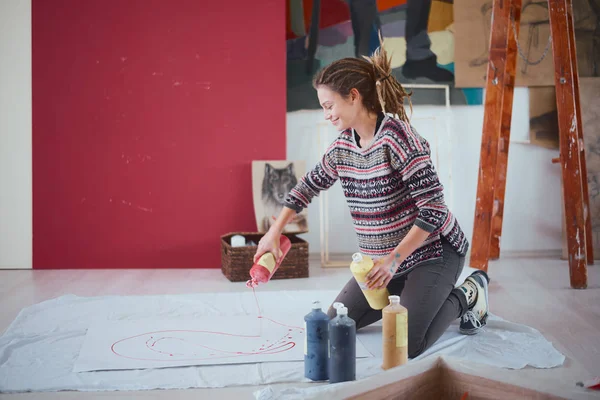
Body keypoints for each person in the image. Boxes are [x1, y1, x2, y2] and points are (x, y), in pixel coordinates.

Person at [253, 44, 489, 358]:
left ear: (353, 96)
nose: (326, 115)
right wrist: (273, 233)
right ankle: (410, 296)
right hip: (383, 265)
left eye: (329, 105)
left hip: (433, 252)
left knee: (407, 346)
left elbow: (432, 208)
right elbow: (306, 187)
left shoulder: (399, 138)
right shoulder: (342, 147)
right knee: (336, 323)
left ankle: (468, 294)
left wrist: (394, 259)